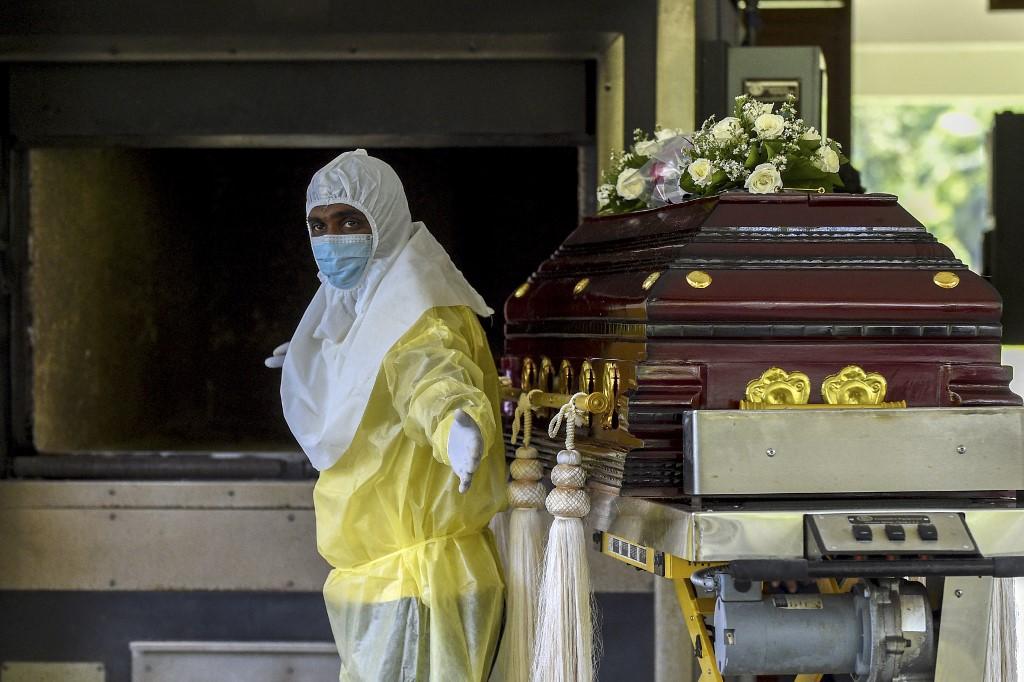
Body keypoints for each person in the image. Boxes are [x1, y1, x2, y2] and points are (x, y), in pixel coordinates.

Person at [267, 150, 506, 681]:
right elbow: (368, 356)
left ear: (386, 218)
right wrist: (320, 361)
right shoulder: (366, 298)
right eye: (318, 225)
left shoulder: (419, 308)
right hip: (382, 578)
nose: (332, 239)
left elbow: (433, 376)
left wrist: (456, 424)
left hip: (423, 582)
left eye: (351, 221)